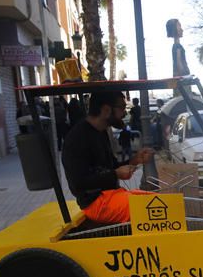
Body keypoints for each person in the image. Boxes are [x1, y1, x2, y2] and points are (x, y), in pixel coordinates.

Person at [61, 91, 153, 225]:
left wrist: (135, 160)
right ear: (106, 110)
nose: (124, 114)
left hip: (110, 196)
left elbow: (112, 167)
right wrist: (115, 174)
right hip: (96, 203)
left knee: (158, 199)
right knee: (155, 208)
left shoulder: (101, 131)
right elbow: (79, 183)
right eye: (121, 108)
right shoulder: (78, 137)